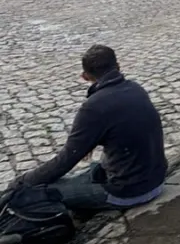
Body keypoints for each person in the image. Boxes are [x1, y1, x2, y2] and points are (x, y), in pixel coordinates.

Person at [5, 45, 166, 211]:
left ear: (85, 76)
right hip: (156, 179)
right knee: (84, 174)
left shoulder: (93, 108)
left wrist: (22, 182)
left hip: (129, 192)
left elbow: (66, 160)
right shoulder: (135, 88)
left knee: (35, 193)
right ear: (118, 66)